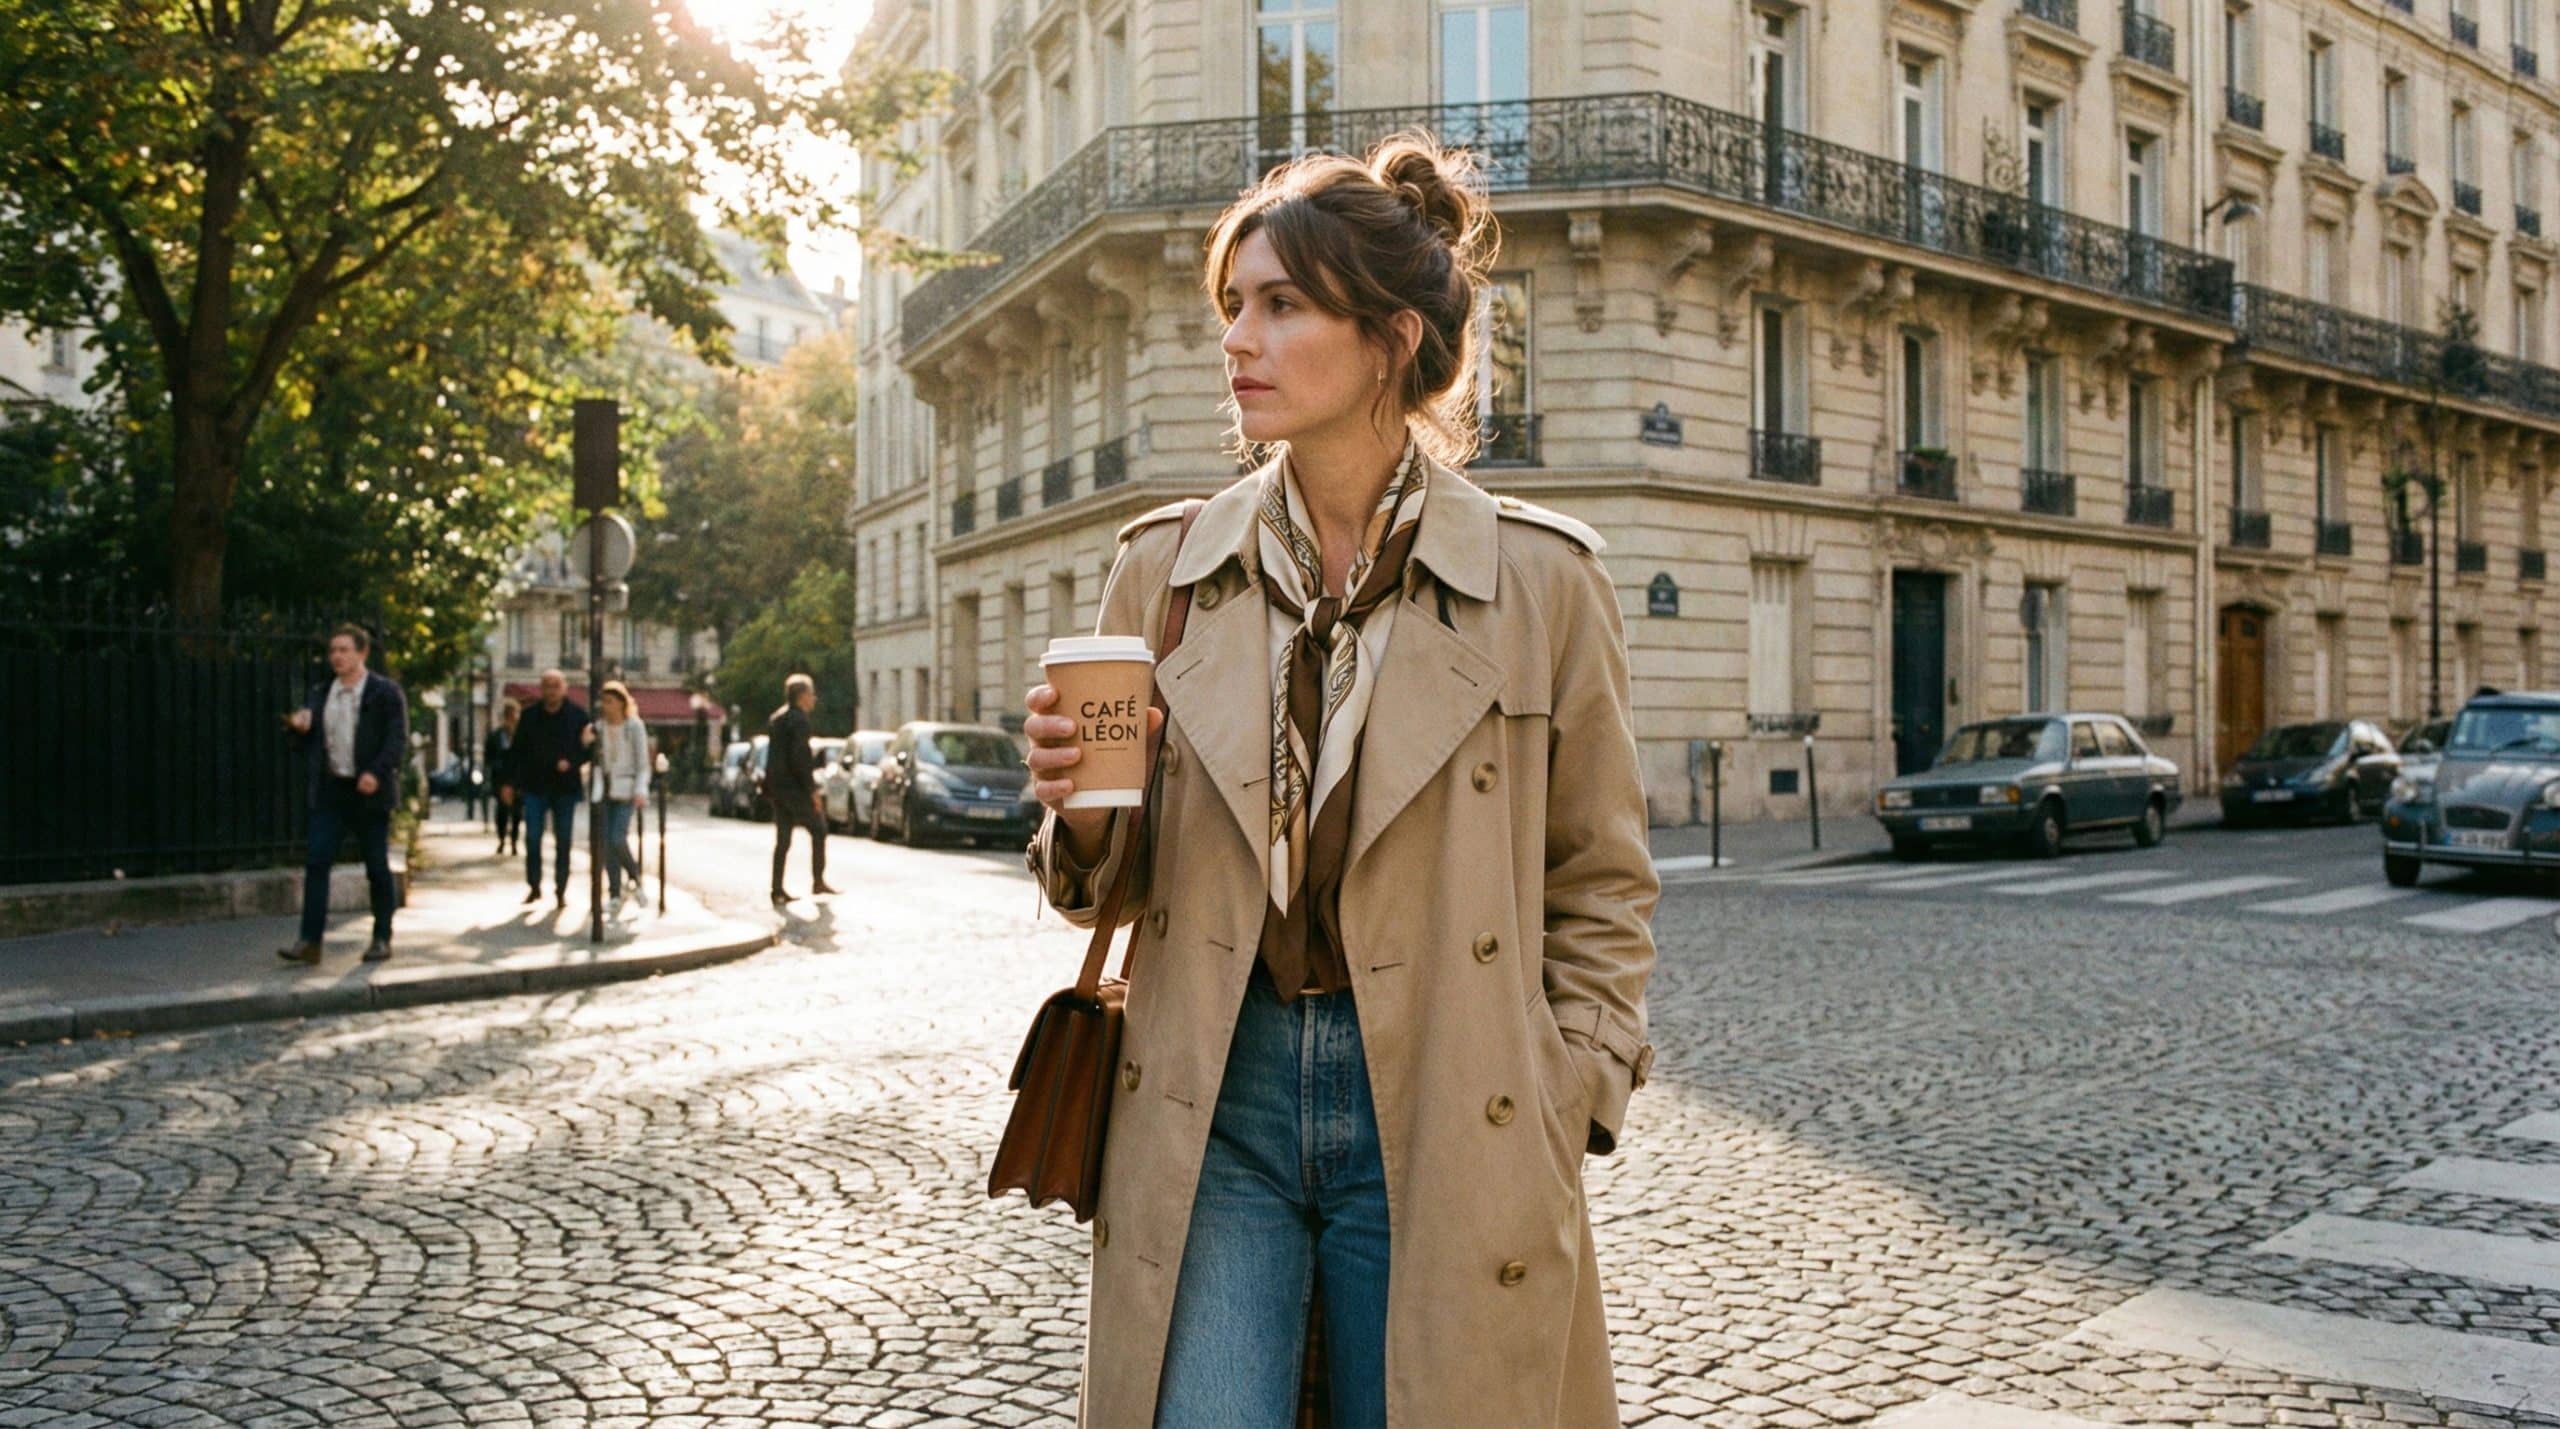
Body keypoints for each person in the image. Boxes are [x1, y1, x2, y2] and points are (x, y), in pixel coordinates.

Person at [1022, 135, 1658, 1427]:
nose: (1237, 339)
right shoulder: (1164, 574)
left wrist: (1567, 1088)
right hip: (1219, 1101)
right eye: (1233, 307)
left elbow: (1601, 878)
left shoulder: (1544, 584)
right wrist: (1081, 810)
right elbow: (1098, 885)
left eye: (1282, 305)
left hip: (1444, 1102)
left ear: (1389, 340)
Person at [278, 624, 409, 965]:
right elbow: (302, 743)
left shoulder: (385, 692)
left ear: (362, 653)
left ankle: (382, 937)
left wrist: (376, 774)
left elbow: (396, 741)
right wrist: (300, 728)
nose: (336, 656)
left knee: (376, 866)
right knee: (317, 862)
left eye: (344, 650)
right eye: (333, 650)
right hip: (331, 789)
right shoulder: (321, 693)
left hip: (369, 791)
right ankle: (309, 941)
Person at [503, 669, 590, 905]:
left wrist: (571, 762)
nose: (551, 691)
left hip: (565, 788)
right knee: (532, 838)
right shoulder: (529, 716)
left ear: (564, 688)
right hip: (535, 786)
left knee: (563, 841)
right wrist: (509, 783)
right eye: (546, 686)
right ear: (541, 689)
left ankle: (561, 889)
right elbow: (516, 751)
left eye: (555, 685)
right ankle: (534, 885)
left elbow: (589, 749)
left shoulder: (578, 716)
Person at [765, 673, 833, 906]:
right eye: (811, 694)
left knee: (783, 840)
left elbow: (773, 758)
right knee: (819, 828)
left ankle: (777, 888)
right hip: (795, 788)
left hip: (778, 788)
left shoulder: (777, 719)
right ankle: (818, 880)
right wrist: (812, 791)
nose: (814, 699)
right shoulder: (800, 721)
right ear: (802, 696)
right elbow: (801, 758)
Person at [586, 681, 651, 917]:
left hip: (626, 790)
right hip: (604, 791)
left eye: (610, 701)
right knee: (605, 844)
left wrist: (641, 789)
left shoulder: (634, 727)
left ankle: (635, 879)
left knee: (616, 838)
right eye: (603, 702)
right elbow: (592, 760)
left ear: (622, 703)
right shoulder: (599, 728)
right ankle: (614, 892)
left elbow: (643, 763)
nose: (606, 706)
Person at [485, 699, 521, 856]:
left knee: (517, 813)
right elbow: (488, 757)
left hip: (517, 779)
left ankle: (514, 842)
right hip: (500, 779)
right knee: (501, 812)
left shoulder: (521, 736)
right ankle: (501, 839)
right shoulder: (495, 736)